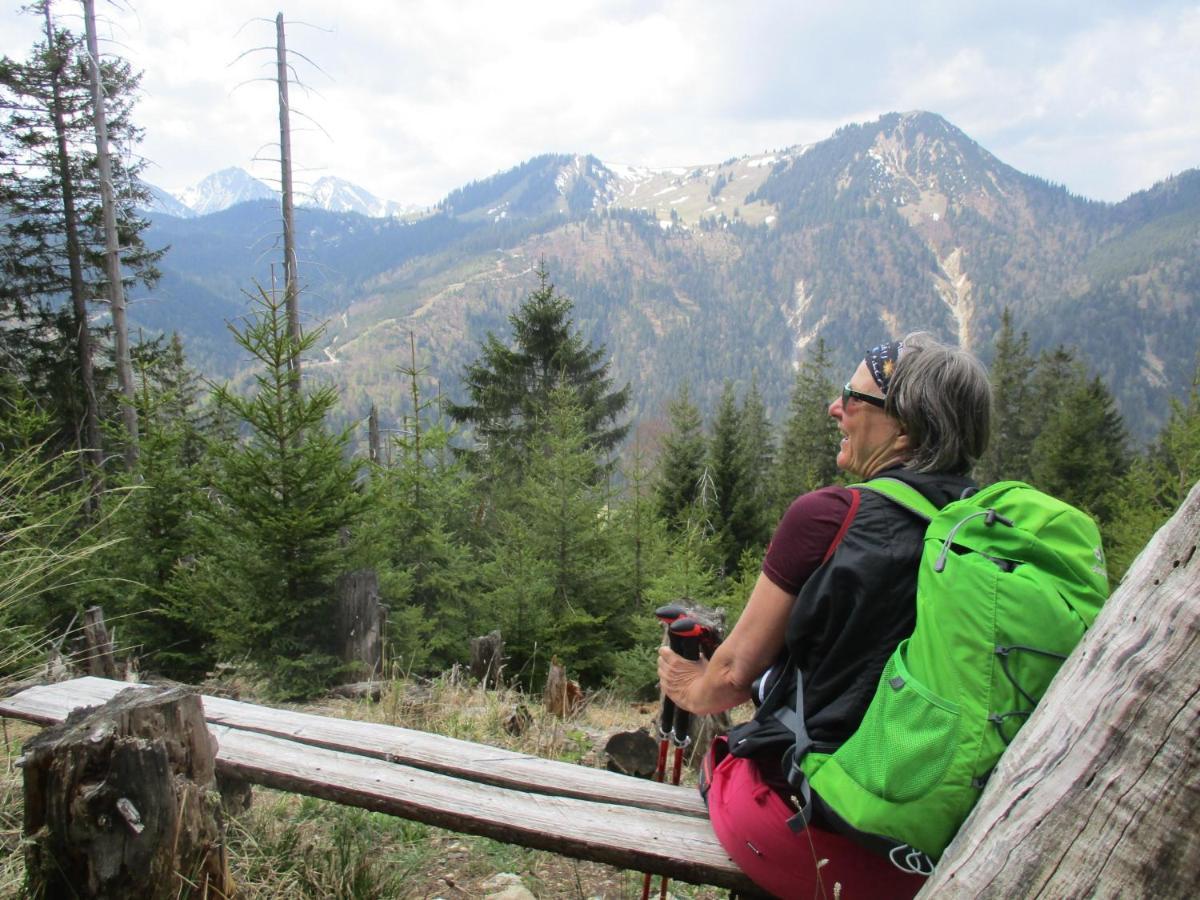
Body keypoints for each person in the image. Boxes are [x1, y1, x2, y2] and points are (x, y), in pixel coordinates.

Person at [657, 332, 992, 900]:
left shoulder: (830, 516)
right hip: (939, 846)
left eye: (853, 397)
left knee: (726, 766)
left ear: (905, 428)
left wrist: (686, 684)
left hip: (817, 835)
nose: (834, 407)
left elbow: (730, 680)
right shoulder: (984, 536)